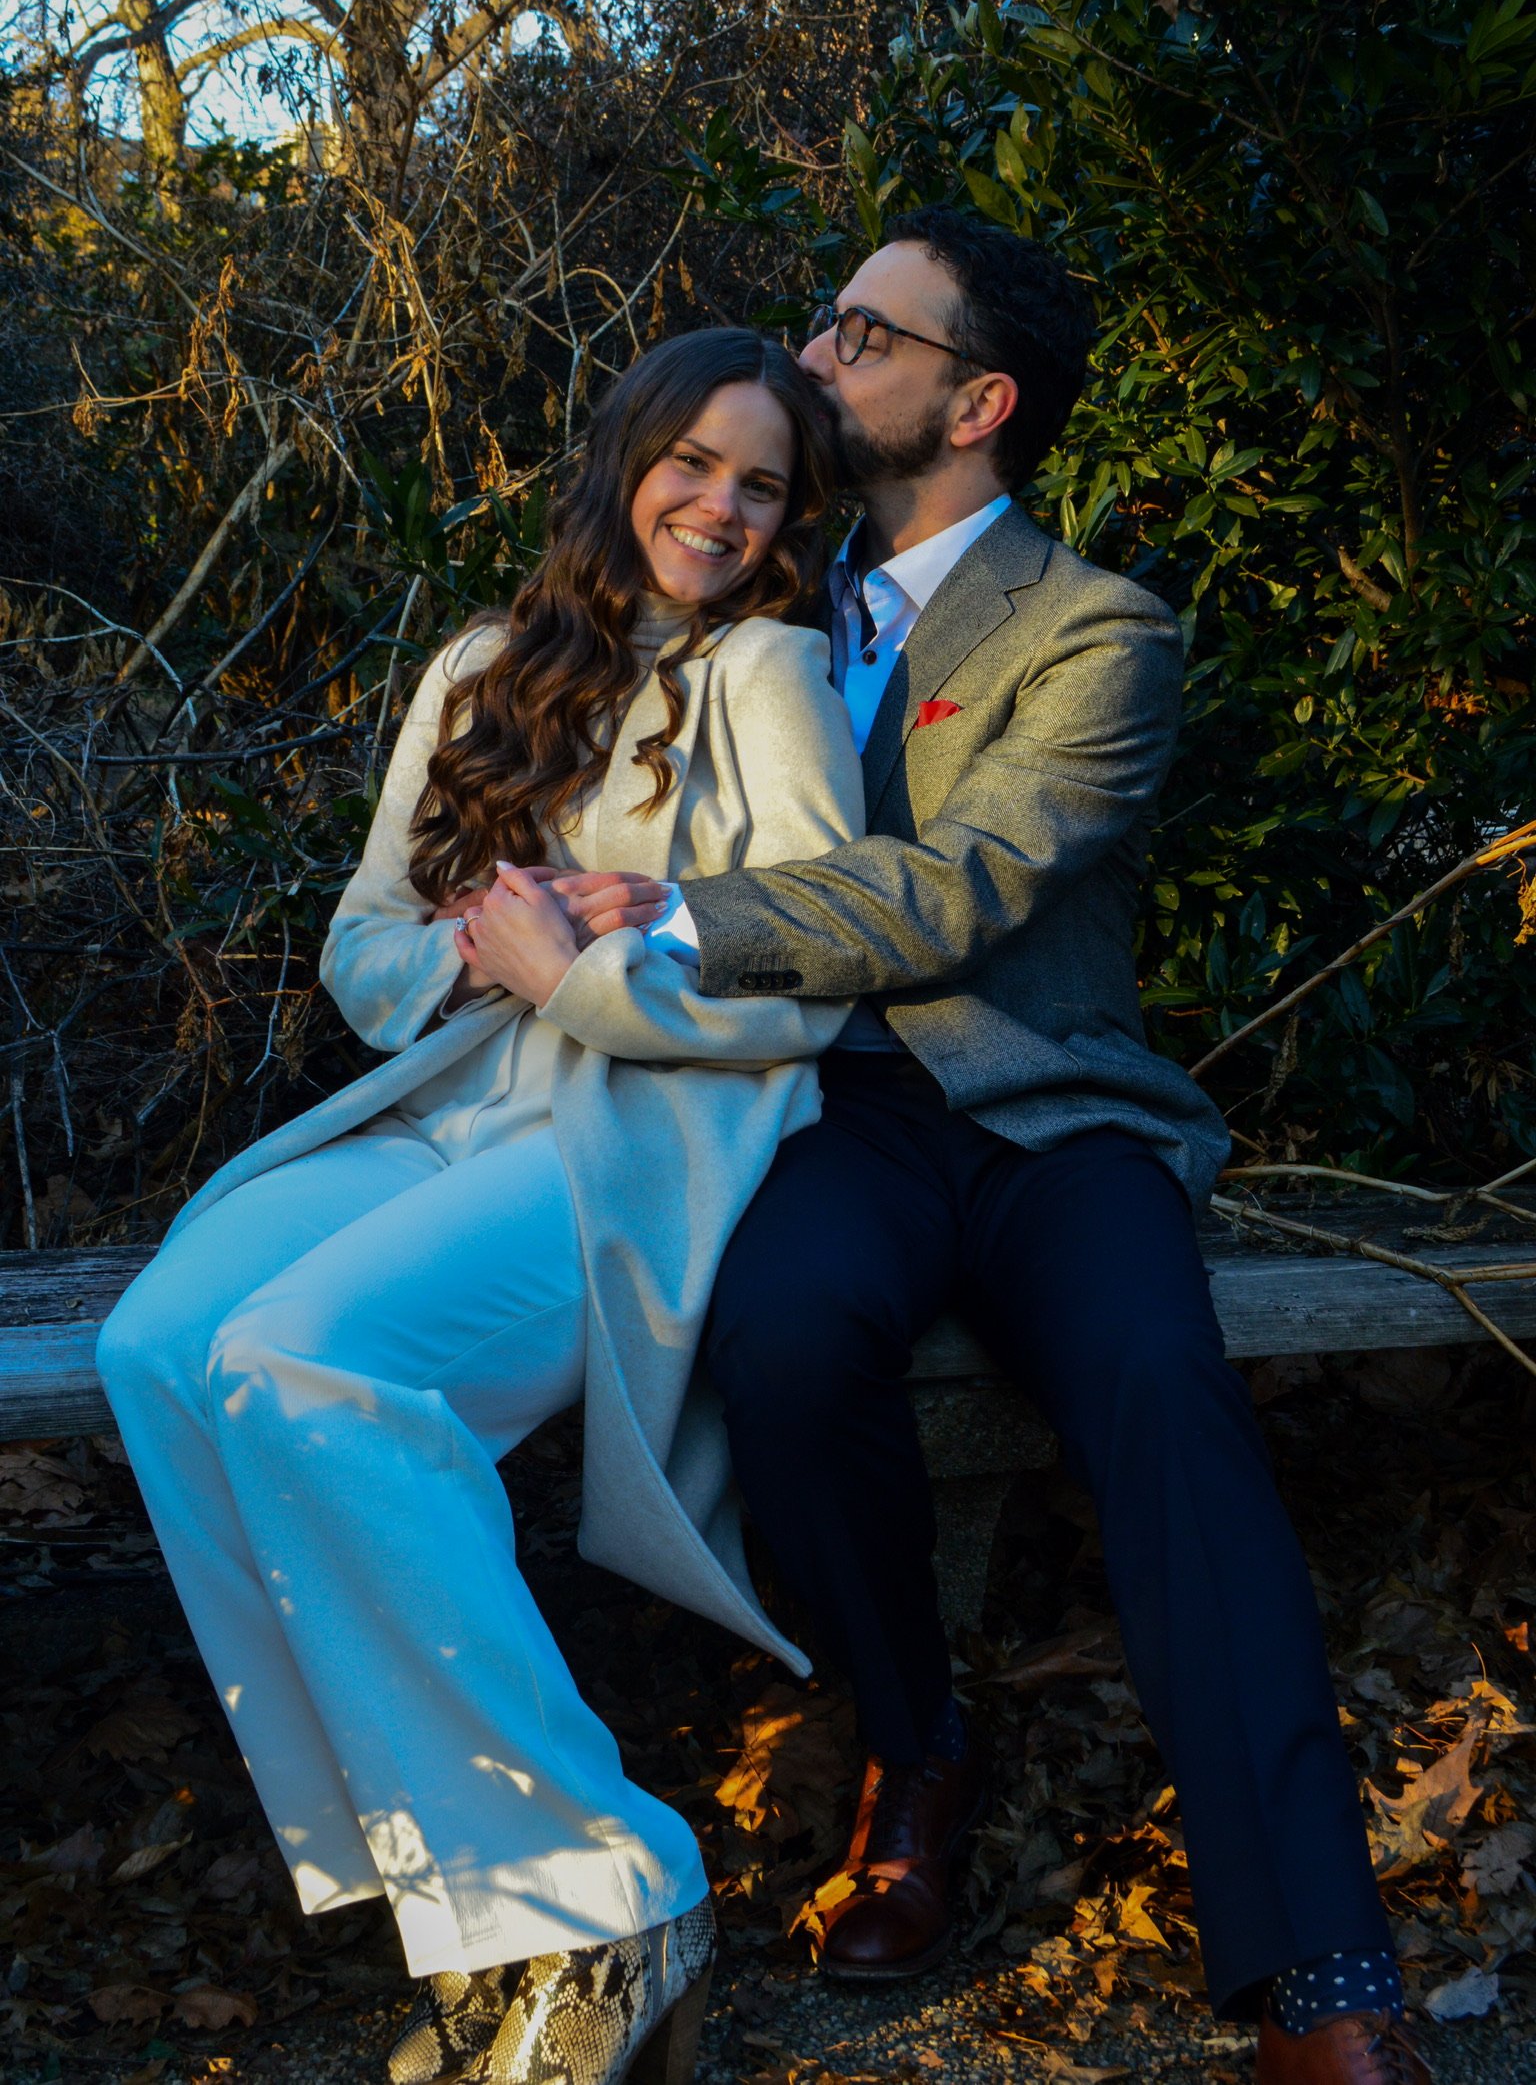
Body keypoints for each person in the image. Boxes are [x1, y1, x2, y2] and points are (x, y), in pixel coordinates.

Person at [550, 214, 1427, 2085]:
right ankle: (917, 1738)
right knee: (783, 1339)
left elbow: (964, 883)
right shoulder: (754, 598)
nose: (818, 352)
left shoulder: (1098, 626)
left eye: (864, 333)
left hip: (1049, 1116)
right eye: (829, 321)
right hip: (829, 1108)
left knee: (1164, 1388)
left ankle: (1320, 1968)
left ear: (978, 401)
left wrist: (682, 912)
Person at [95, 328, 866, 2085]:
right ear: (623, 461)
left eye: (762, 484)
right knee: (160, 1343)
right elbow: (364, 943)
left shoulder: (768, 673)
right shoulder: (476, 668)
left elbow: (821, 969)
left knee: (309, 1362)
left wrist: (599, 957)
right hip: (441, 1107)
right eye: (693, 462)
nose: (723, 507)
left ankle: (606, 1892)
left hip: (633, 1133)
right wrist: (476, 946)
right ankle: (459, 1901)